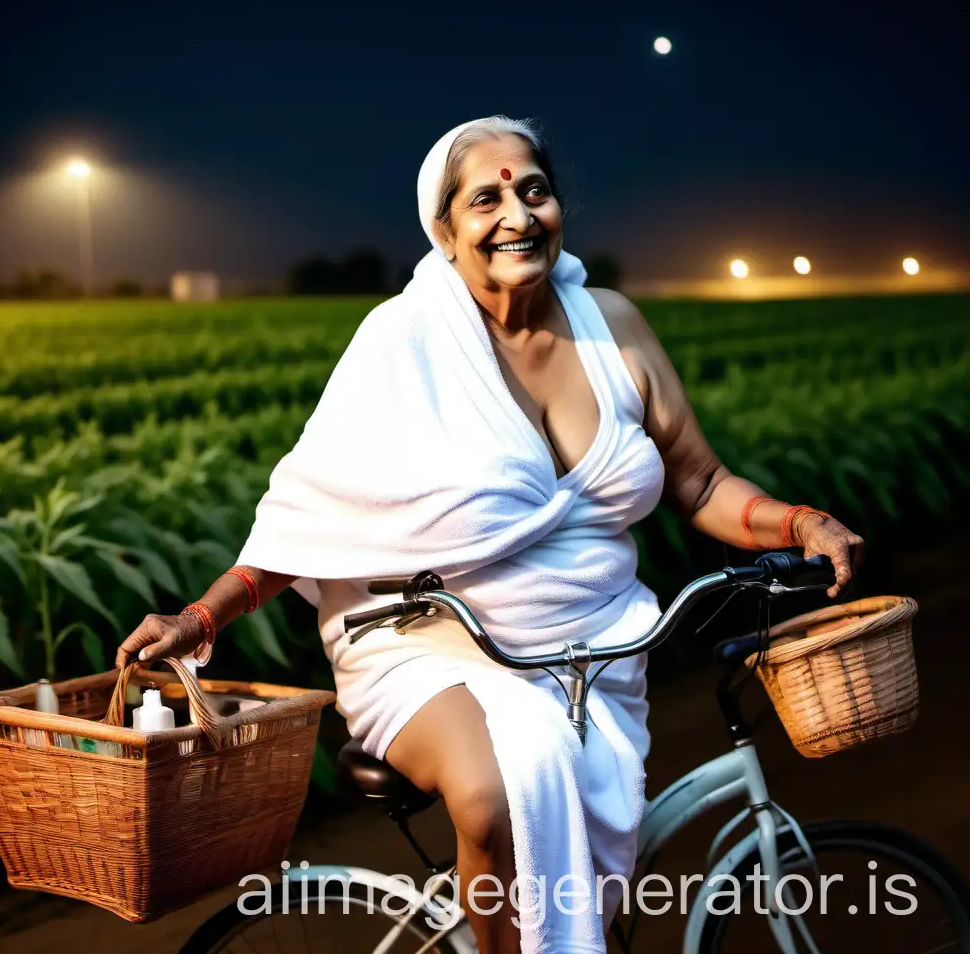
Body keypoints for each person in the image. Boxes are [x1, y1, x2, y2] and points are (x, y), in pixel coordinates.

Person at [116, 116, 864, 954]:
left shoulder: (613, 327)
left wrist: (799, 521)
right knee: (497, 788)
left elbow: (700, 479)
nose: (517, 214)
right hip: (420, 641)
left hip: (591, 653)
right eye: (486, 199)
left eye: (533, 190)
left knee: (583, 870)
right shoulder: (402, 342)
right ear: (444, 232)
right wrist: (203, 617)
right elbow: (310, 516)